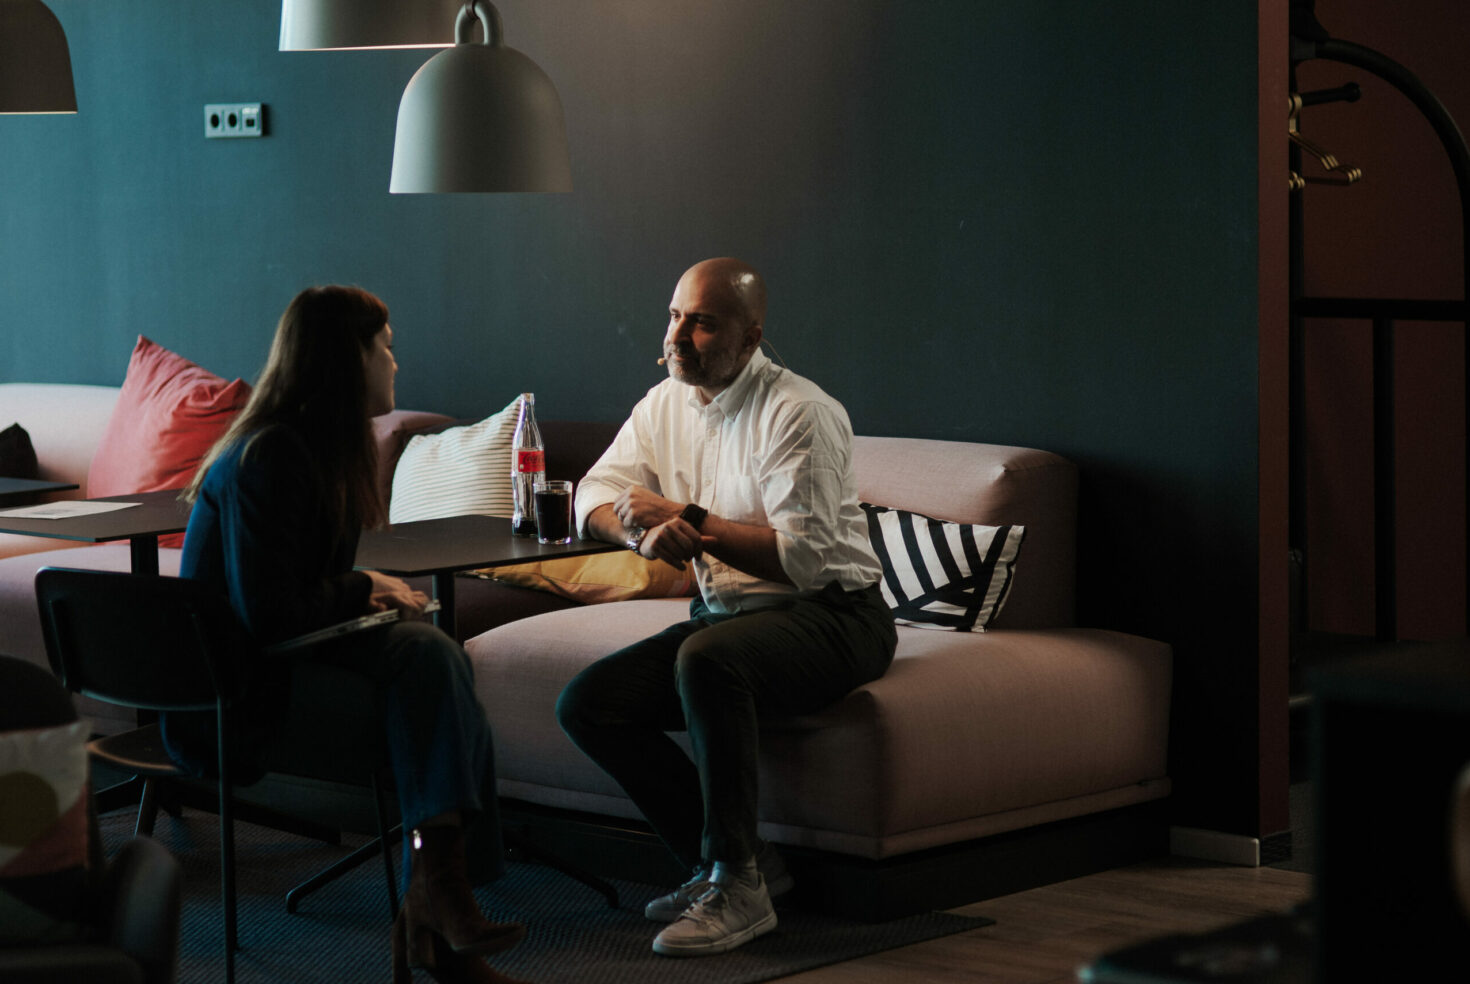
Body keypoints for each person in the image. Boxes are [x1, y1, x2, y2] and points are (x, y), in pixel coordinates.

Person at [168, 286, 527, 984]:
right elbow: (268, 616)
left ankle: (438, 905)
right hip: (237, 702)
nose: (395, 361)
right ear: (346, 358)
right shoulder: (270, 456)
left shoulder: (312, 447)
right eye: (385, 346)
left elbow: (292, 601)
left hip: (276, 664)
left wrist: (370, 600)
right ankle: (442, 907)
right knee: (431, 664)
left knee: (434, 659)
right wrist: (364, 588)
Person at [555, 258, 898, 957]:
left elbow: (804, 559)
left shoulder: (799, 411)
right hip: (729, 620)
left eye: (704, 323)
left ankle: (737, 885)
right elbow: (592, 491)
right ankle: (746, 864)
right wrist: (638, 532)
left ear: (750, 338)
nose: (679, 335)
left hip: (835, 615)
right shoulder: (664, 403)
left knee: (708, 658)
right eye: (675, 315)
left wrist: (686, 517)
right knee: (589, 704)